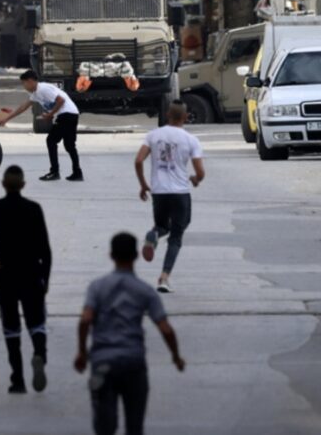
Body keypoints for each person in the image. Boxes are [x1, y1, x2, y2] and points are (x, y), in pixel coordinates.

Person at [74, 232, 186, 435]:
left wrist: (82, 353)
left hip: (103, 362)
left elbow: (86, 319)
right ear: (136, 256)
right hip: (133, 362)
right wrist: (176, 357)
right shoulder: (144, 291)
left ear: (111, 255)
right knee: (135, 426)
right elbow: (165, 328)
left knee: (104, 426)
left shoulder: (97, 287)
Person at [0, 165, 53, 394]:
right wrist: (45, 278)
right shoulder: (34, 209)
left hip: (6, 273)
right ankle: (39, 355)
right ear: (23, 185)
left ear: (3, 185)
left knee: (11, 328)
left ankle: (17, 379)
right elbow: (45, 248)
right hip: (31, 272)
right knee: (36, 323)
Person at [134, 100, 205, 293]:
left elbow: (139, 160)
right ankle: (164, 278)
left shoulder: (153, 135)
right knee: (176, 236)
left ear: (167, 116)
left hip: (159, 192)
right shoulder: (191, 140)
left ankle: (153, 236)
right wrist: (195, 179)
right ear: (185, 117)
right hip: (180, 192)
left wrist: (143, 185)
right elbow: (201, 172)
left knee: (162, 226)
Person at [0, 69, 83, 182]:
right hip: (72, 114)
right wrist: (6, 119)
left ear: (30, 81)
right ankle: (77, 173)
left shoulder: (43, 89)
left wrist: (50, 115)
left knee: (51, 140)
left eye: (24, 83)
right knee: (69, 145)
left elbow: (61, 100)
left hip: (67, 114)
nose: (24, 86)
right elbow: (23, 107)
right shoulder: (35, 94)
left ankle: (54, 172)